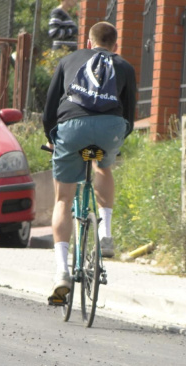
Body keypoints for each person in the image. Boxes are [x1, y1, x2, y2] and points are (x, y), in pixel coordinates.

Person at [42, 21, 137, 302]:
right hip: (110, 129)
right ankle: (105, 232)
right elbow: (130, 112)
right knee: (103, 165)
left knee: (63, 200)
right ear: (115, 46)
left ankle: (61, 271)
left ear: (88, 42)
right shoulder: (124, 66)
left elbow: (50, 108)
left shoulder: (68, 60)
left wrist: (51, 138)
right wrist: (117, 140)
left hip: (71, 127)